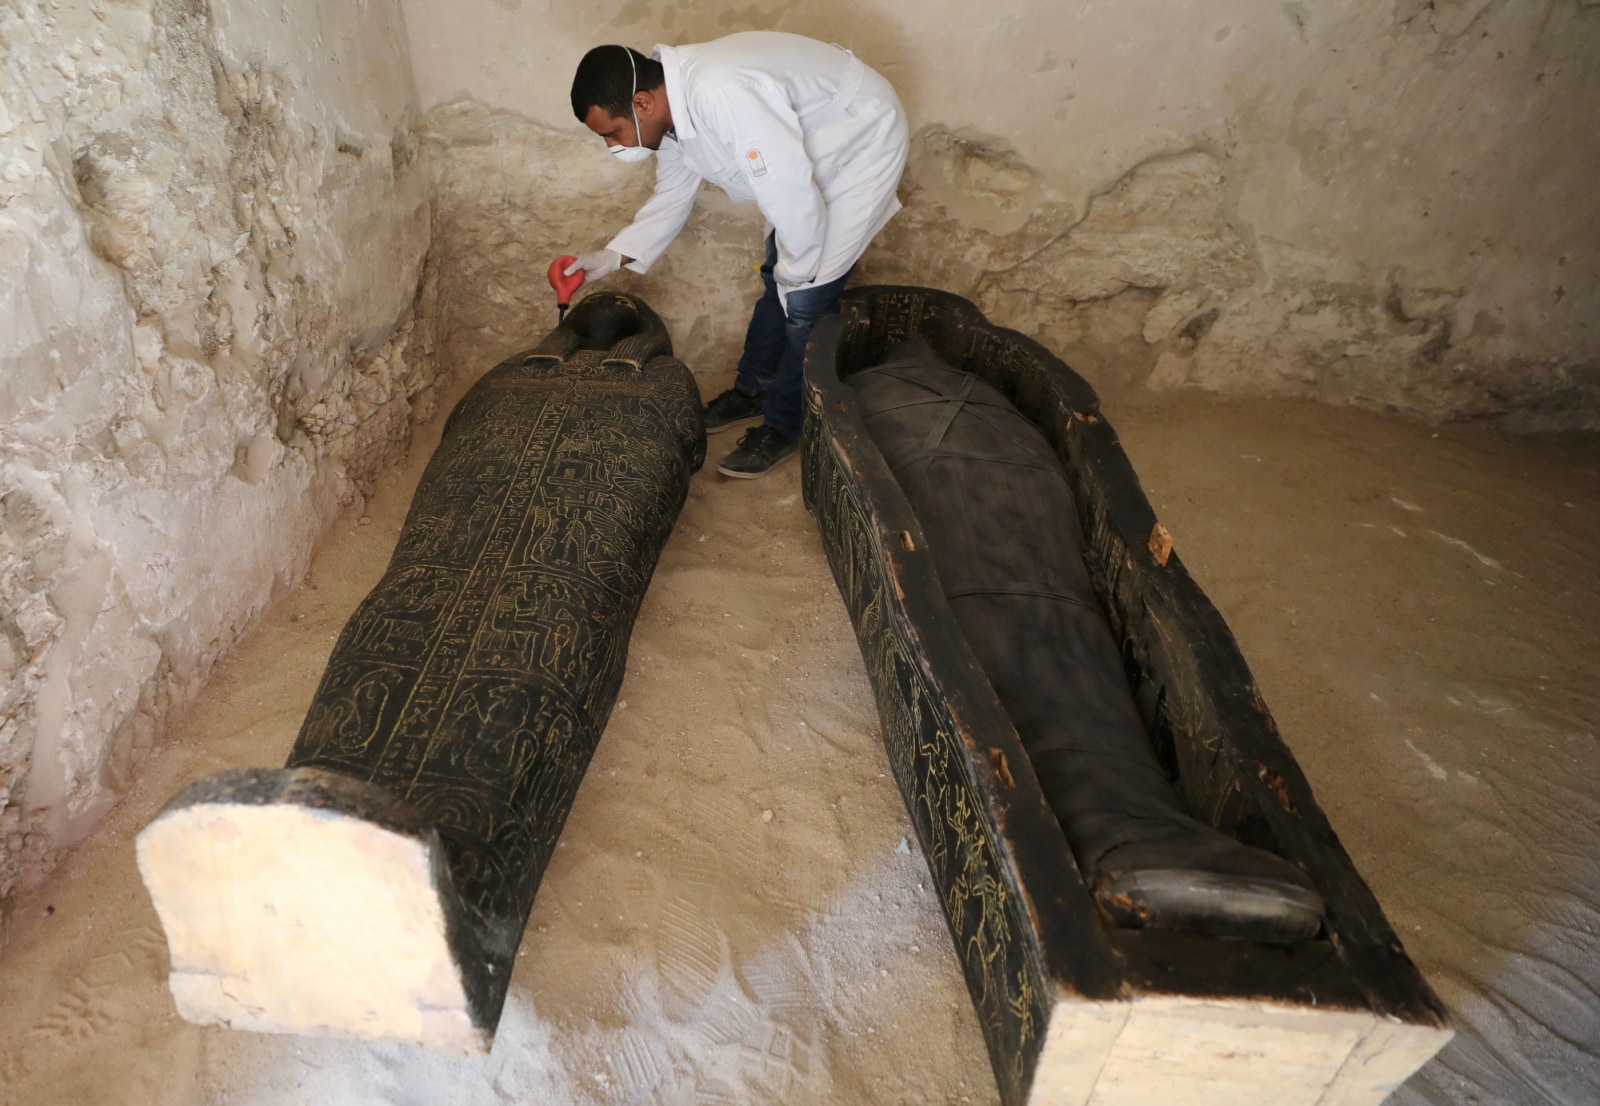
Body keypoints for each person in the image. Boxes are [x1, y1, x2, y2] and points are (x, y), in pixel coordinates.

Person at [566, 32, 909, 478]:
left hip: (860, 140)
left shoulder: (719, 92)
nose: (613, 145)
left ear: (642, 103)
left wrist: (799, 278)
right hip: (809, 154)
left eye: (612, 133)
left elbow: (787, 186)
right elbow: (672, 194)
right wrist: (611, 258)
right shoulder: (670, 113)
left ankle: (785, 423)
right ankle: (753, 390)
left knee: (805, 298)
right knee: (779, 275)